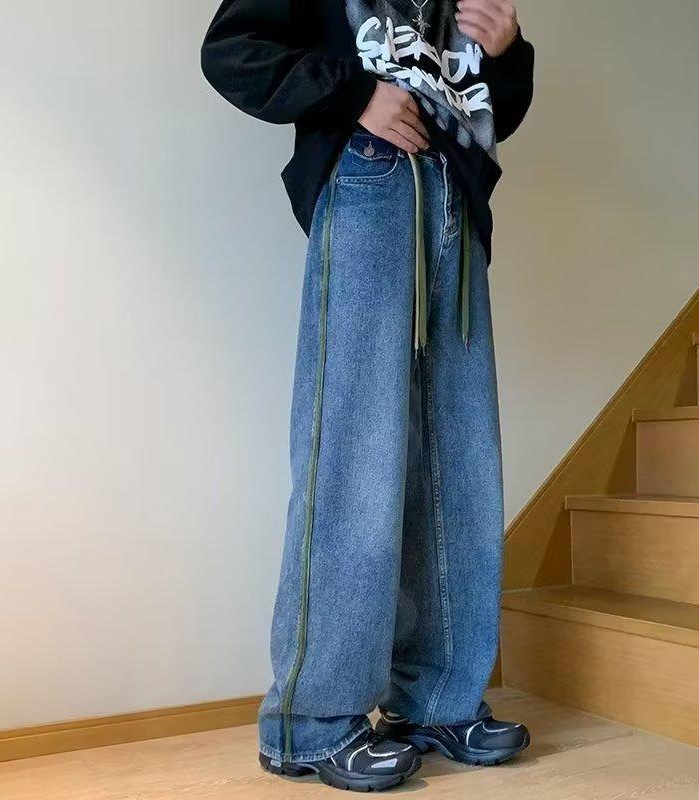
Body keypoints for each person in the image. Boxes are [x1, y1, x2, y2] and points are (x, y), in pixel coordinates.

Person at [201, 0, 534, 792]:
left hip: (455, 202)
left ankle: (438, 700)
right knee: (355, 456)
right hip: (367, 183)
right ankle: (312, 721)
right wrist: (356, 94)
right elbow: (233, 51)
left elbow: (491, 108)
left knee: (461, 462)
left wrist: (509, 54)